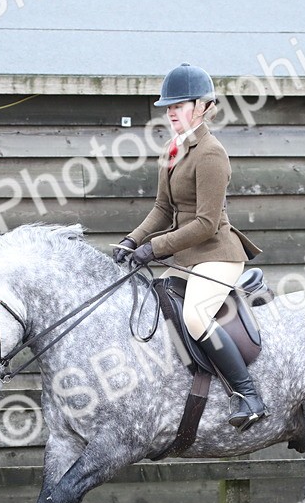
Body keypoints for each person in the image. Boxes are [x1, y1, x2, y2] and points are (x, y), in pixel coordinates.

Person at [113, 63, 266, 431]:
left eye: (178, 105)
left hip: (217, 254)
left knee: (195, 316)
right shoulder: (171, 149)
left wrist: (155, 249)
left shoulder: (211, 154)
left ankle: (248, 394)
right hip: (186, 256)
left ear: (201, 106)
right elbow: (162, 209)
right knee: (149, 304)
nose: (170, 112)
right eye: (168, 106)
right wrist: (132, 240)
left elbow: (205, 224)